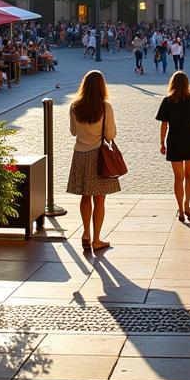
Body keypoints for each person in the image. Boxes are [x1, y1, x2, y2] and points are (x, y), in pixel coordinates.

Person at [66, 70, 120, 251]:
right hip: (98, 156)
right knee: (100, 199)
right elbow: (110, 134)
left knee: (85, 196)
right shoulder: (106, 107)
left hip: (80, 155)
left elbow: (73, 131)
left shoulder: (74, 106)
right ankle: (97, 238)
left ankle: (86, 233)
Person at [155, 70, 190, 221]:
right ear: (187, 84)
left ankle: (181, 210)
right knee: (189, 176)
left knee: (178, 178)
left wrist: (162, 143)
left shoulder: (167, 100)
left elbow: (164, 124)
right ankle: (187, 203)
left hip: (174, 140)